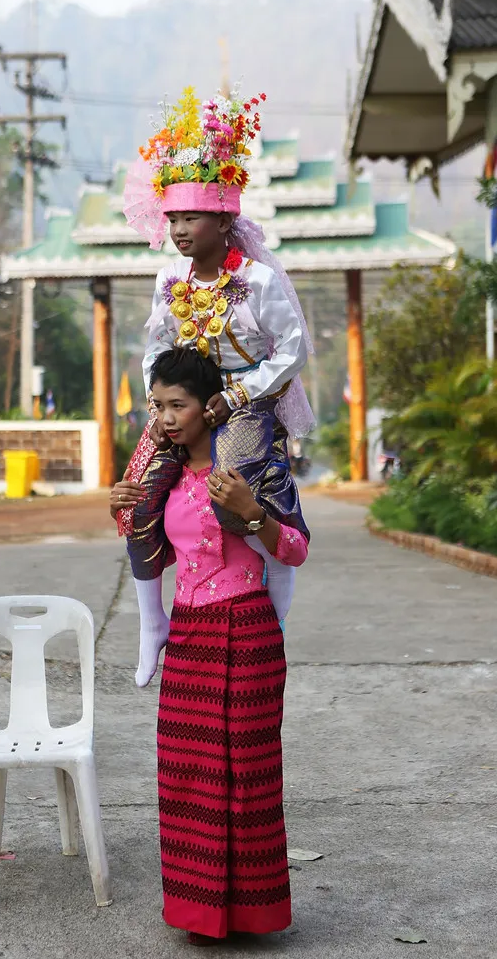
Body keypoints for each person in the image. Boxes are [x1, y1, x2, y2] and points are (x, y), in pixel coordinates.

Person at [110, 348, 309, 946]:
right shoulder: (163, 479)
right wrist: (123, 511)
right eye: (158, 405)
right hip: (190, 637)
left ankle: (253, 915)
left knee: (248, 775)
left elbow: (295, 549)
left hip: (248, 633)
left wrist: (252, 516)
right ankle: (199, 916)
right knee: (187, 774)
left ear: (207, 405)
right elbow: (164, 554)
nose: (167, 417)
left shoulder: (256, 464)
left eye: (179, 404)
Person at [121, 86, 314, 687]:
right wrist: (161, 403)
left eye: (190, 217)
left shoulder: (256, 281)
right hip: (185, 401)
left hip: (244, 405)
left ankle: (273, 617)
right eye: (172, 217)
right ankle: (153, 623)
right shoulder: (169, 277)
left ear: (225, 219)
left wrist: (239, 394)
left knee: (239, 499)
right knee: (138, 496)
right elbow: (157, 342)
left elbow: (293, 349)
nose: (178, 229)